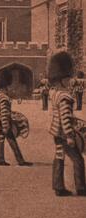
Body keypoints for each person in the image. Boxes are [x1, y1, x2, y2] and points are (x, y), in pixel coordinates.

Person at [48, 52, 86, 197]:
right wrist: (70, 135)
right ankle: (81, 187)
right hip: (65, 134)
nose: (70, 80)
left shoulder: (55, 93)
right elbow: (65, 117)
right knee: (78, 159)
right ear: (62, 79)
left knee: (59, 156)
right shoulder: (65, 96)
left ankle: (58, 186)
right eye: (68, 77)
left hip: (56, 132)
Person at [0, 70, 32, 167]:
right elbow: (4, 112)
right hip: (5, 122)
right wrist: (6, 125)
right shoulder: (4, 97)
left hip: (0, 122)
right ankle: (20, 161)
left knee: (1, 139)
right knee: (12, 141)